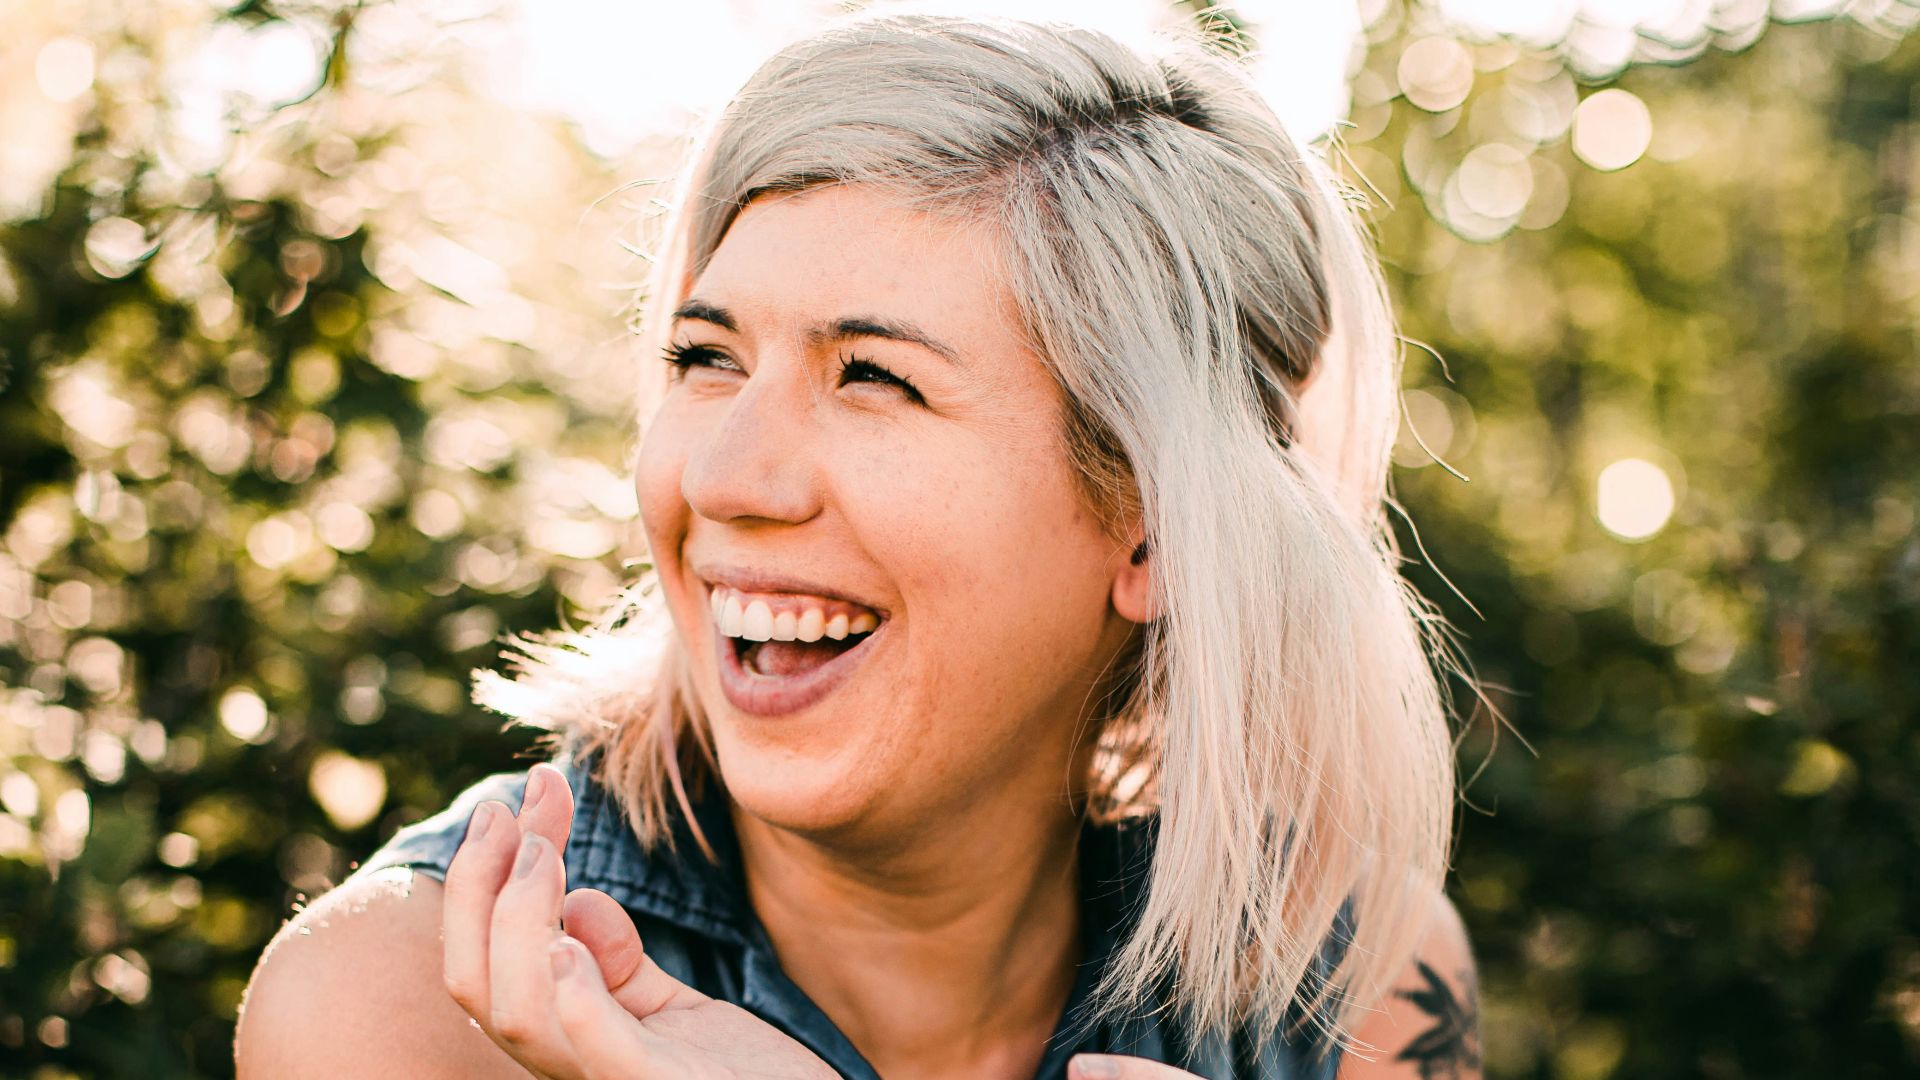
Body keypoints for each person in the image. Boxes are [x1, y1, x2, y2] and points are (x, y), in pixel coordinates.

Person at [236, 10, 1482, 1079]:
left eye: (874, 378)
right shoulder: (403, 1004)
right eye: (705, 359)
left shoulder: (1359, 984)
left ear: (1156, 527)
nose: (724, 477)